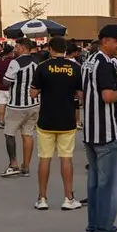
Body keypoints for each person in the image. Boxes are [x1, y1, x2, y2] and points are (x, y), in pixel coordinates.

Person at [82, 24, 117, 232]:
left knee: (94, 183)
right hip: (107, 131)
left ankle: (95, 226)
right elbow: (108, 96)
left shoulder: (89, 61)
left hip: (91, 131)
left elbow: (82, 92)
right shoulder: (104, 63)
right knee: (110, 185)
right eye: (116, 42)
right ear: (105, 41)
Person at [30, 36, 82, 210]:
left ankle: (42, 198)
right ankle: (68, 198)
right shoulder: (75, 67)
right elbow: (80, 95)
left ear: (51, 50)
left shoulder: (42, 67)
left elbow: (33, 93)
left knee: (44, 158)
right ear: (65, 50)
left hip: (46, 119)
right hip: (67, 119)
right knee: (66, 158)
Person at [2, 40, 40, 177]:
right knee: (27, 134)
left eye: (17, 47)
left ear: (23, 48)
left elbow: (6, 81)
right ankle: (26, 167)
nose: (15, 49)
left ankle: (13, 164)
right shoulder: (37, 62)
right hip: (34, 103)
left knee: (9, 133)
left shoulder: (16, 62)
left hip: (17, 105)